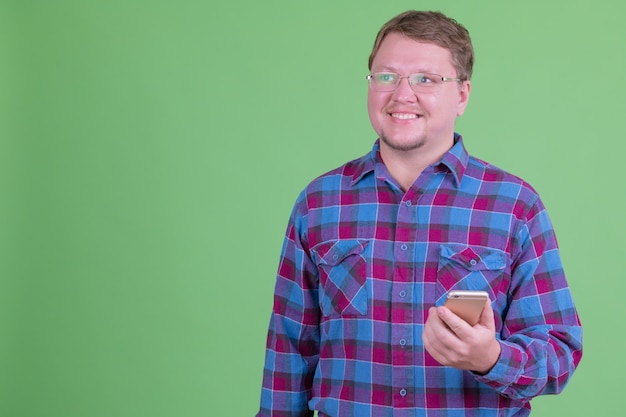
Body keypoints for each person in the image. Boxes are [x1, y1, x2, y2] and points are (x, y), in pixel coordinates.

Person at [256, 10, 582, 417]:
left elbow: (559, 352)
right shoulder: (319, 202)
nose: (402, 95)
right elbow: (288, 353)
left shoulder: (515, 205)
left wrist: (491, 358)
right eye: (386, 77)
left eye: (426, 79)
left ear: (462, 94)